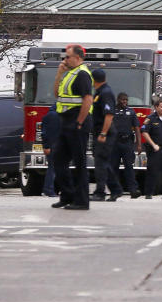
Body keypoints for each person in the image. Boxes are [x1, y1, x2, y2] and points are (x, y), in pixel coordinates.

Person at [51, 44, 94, 211]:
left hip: (77, 123)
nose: (65, 59)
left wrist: (79, 122)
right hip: (66, 122)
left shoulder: (82, 74)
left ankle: (82, 201)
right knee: (58, 159)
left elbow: (88, 99)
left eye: (67, 57)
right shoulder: (69, 73)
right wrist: (59, 74)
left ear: (78, 57)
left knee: (79, 163)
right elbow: (56, 95)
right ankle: (67, 195)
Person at [89, 69, 120, 202]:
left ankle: (100, 192)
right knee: (102, 162)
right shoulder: (100, 92)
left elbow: (109, 115)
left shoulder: (106, 93)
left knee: (101, 163)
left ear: (93, 79)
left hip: (104, 133)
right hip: (99, 132)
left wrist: (103, 133)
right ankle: (115, 189)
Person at [110, 92, 142, 199]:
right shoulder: (112, 111)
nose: (125, 102)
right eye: (123, 100)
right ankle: (115, 191)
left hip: (127, 142)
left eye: (126, 100)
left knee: (129, 167)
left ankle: (133, 190)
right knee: (113, 168)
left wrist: (139, 144)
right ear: (118, 100)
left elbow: (137, 128)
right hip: (114, 143)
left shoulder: (131, 112)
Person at [40, 109, 60, 197]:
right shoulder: (57, 115)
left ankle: (48, 189)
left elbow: (44, 133)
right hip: (56, 145)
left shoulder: (48, 116)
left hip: (51, 145)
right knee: (53, 168)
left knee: (52, 168)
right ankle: (49, 189)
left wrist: (46, 146)